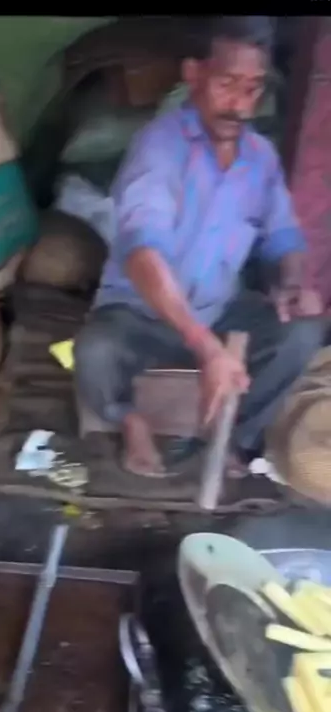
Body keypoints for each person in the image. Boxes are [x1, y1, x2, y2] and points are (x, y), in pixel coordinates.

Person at [74, 15, 326, 478]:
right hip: (142, 317)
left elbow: (283, 236)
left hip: (219, 310)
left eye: (253, 88)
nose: (240, 105)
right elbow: (143, 252)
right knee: (94, 348)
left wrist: (291, 283)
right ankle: (130, 422)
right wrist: (207, 349)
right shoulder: (159, 148)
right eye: (227, 84)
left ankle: (236, 438)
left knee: (305, 330)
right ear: (194, 74)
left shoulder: (260, 158)